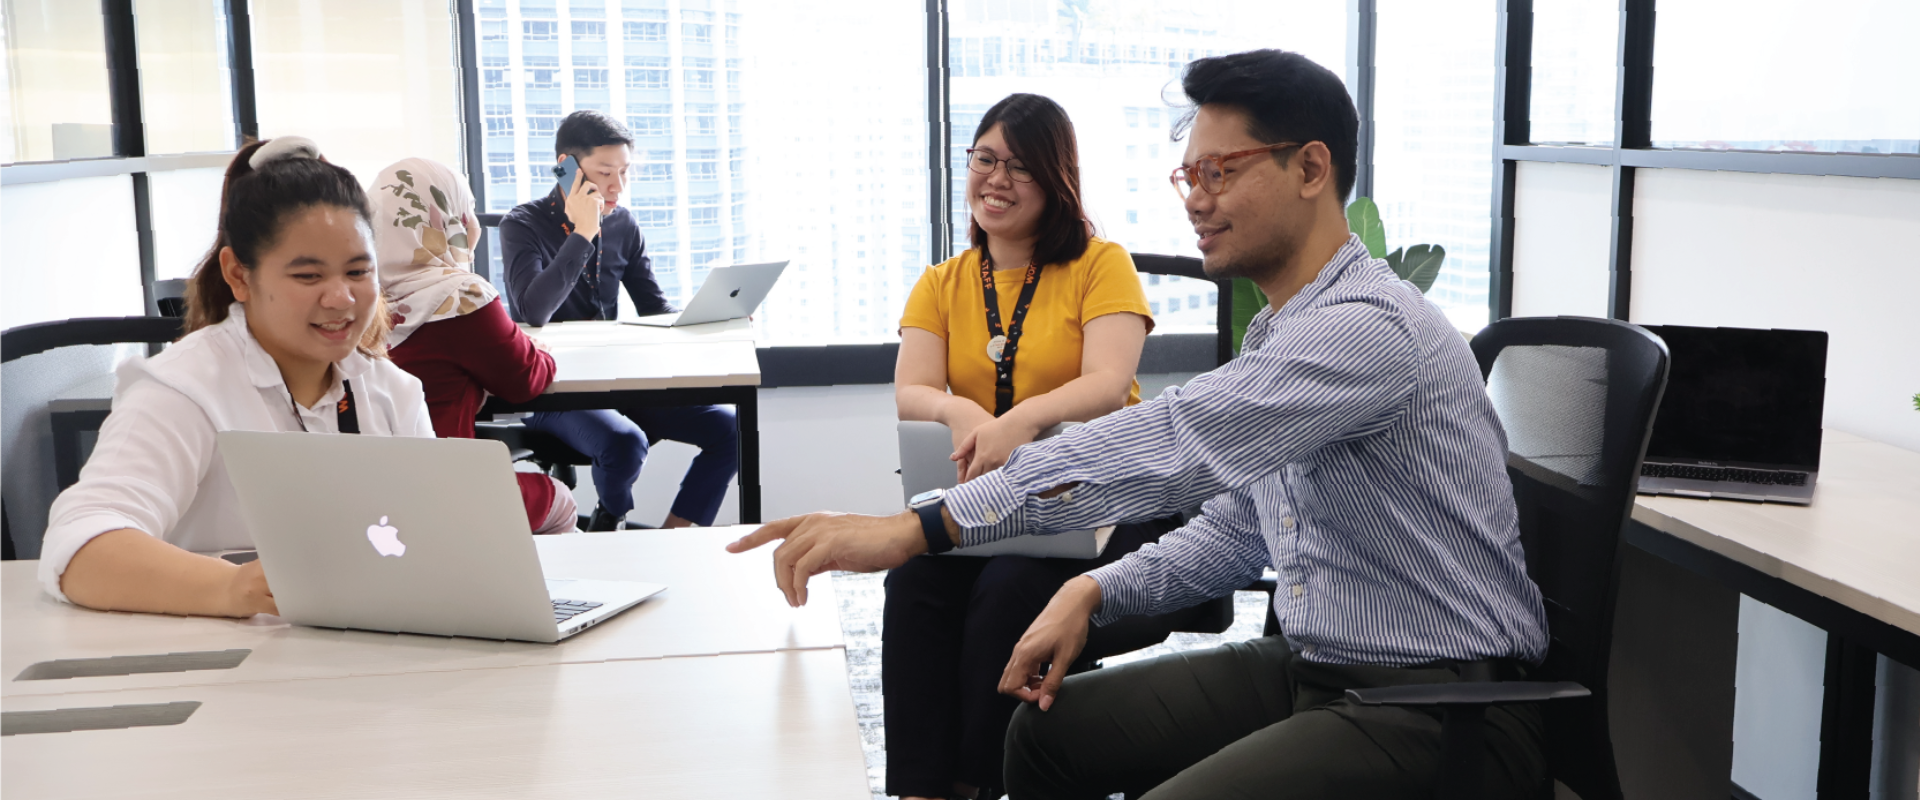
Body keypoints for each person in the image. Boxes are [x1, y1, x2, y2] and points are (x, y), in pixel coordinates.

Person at [729, 49, 1551, 799]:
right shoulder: (1281, 328)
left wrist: (922, 526)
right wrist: (1093, 588)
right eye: (1187, 176)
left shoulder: (1366, 326)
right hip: (1314, 665)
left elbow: (1174, 442)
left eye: (1219, 172)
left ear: (1310, 167)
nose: (1196, 200)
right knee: (1048, 739)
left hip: (1440, 702)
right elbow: (1240, 528)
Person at [884, 93, 1167, 800]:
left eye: (1020, 167)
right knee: (915, 582)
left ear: (1056, 178)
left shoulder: (1101, 264)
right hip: (991, 507)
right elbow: (911, 390)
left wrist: (1020, 422)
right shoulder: (941, 282)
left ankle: (977, 783)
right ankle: (920, 790)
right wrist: (958, 409)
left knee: (1008, 587)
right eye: (985, 160)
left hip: (1103, 506)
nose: (996, 180)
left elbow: (1109, 382)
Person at [39, 136, 435, 617]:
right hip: (226, 652)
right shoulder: (184, 389)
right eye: (308, 277)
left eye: (357, 272)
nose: (341, 298)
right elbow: (79, 548)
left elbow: (433, 540)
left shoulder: (392, 391)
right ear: (239, 275)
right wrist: (231, 588)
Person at [500, 110, 738, 530]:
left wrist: (713, 317)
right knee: (625, 443)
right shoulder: (522, 224)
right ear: (566, 168)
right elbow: (532, 312)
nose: (617, 186)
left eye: (624, 172)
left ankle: (674, 536)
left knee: (732, 430)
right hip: (552, 392)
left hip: (617, 383)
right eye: (605, 172)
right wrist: (583, 233)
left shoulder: (624, 224)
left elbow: (654, 307)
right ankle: (610, 525)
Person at [370, 157, 575, 535]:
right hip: (449, 489)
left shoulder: (359, 295)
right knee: (559, 499)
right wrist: (540, 351)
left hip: (372, 492)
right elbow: (524, 379)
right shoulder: (460, 297)